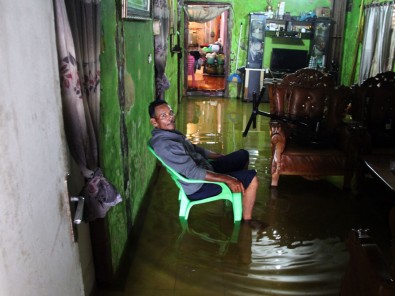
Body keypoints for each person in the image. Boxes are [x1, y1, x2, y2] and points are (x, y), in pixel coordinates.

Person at [148, 99, 259, 221]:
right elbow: (193, 173)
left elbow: (196, 149)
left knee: (243, 155)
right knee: (252, 178)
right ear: (154, 122)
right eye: (163, 116)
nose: (170, 117)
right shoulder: (166, 145)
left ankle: (239, 193)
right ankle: (247, 221)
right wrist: (229, 179)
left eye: (171, 113)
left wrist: (220, 157)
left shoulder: (169, 134)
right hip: (198, 186)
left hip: (204, 168)